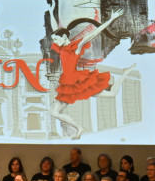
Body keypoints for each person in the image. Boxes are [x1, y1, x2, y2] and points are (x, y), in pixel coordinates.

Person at [49, 9, 126, 139]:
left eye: (56, 39)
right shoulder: (61, 46)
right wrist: (51, 12)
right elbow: (55, 29)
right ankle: (79, 128)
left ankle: (124, 75)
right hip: (68, 82)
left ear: (64, 37)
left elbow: (95, 32)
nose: (55, 42)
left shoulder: (76, 46)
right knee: (54, 112)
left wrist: (111, 19)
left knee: (111, 94)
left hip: (76, 81)